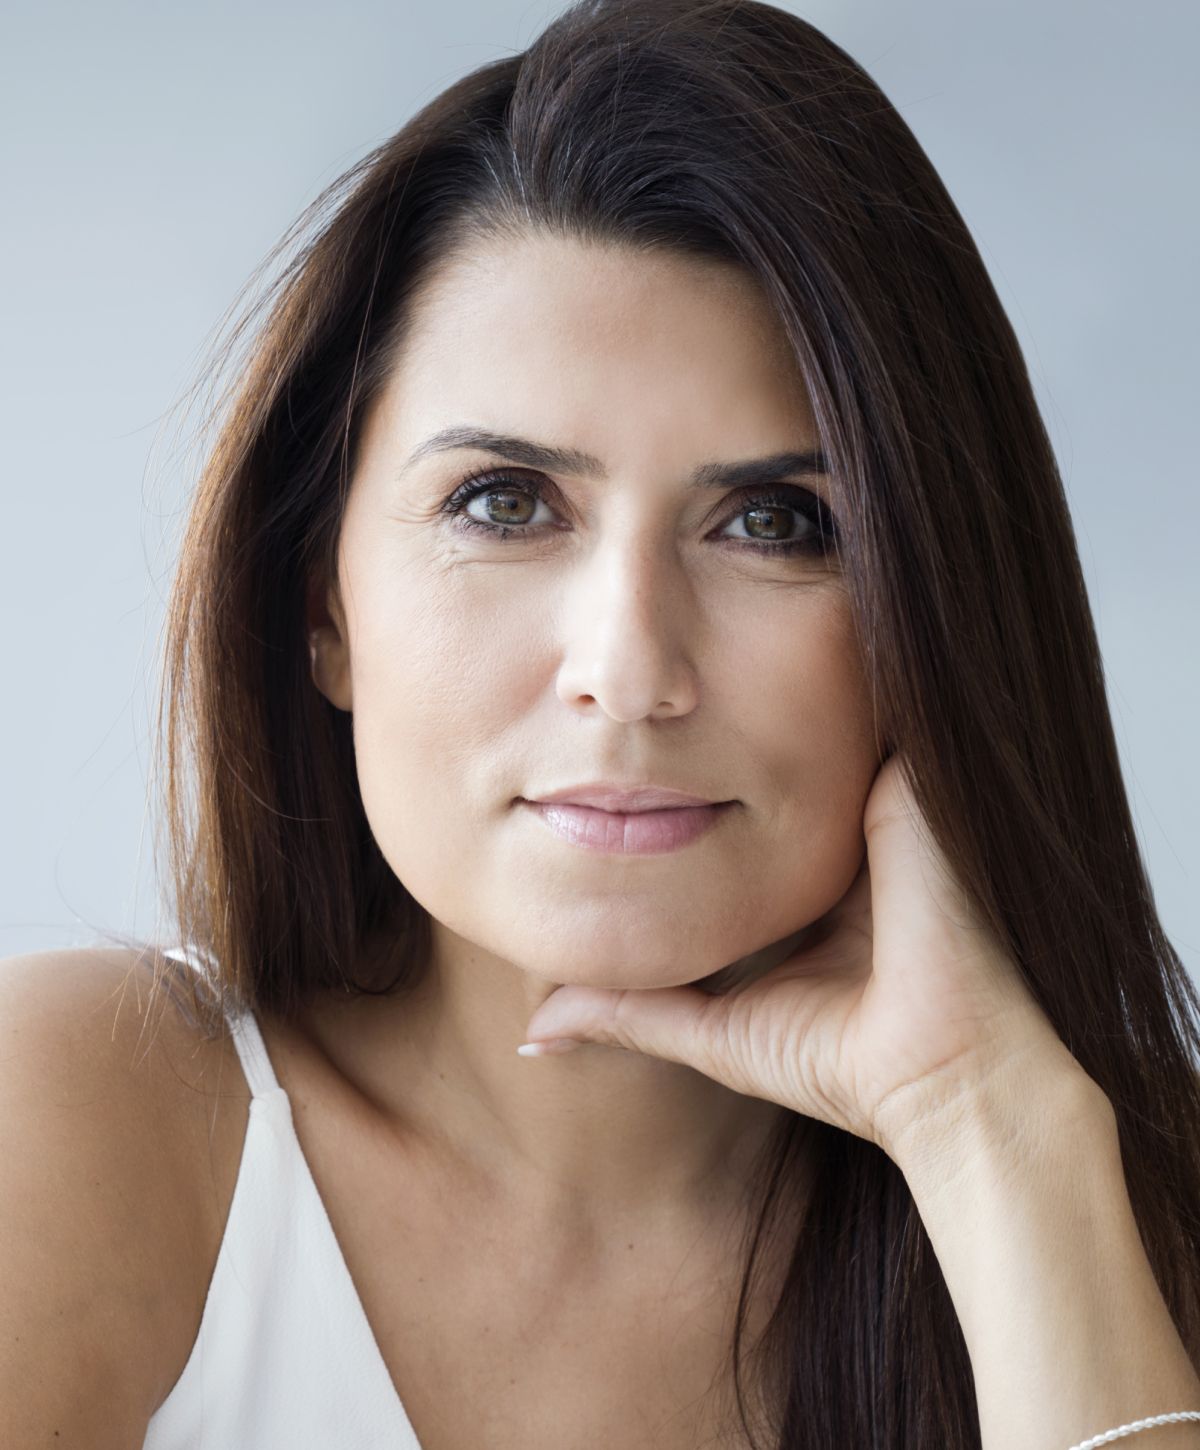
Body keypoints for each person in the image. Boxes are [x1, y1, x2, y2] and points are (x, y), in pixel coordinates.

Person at [4, 1, 1200, 1446]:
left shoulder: (1116, 1218)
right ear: (321, 603)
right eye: (504, 502)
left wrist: (993, 1129)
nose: (630, 671)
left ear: (930, 614)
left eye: (775, 522)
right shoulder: (89, 1120)